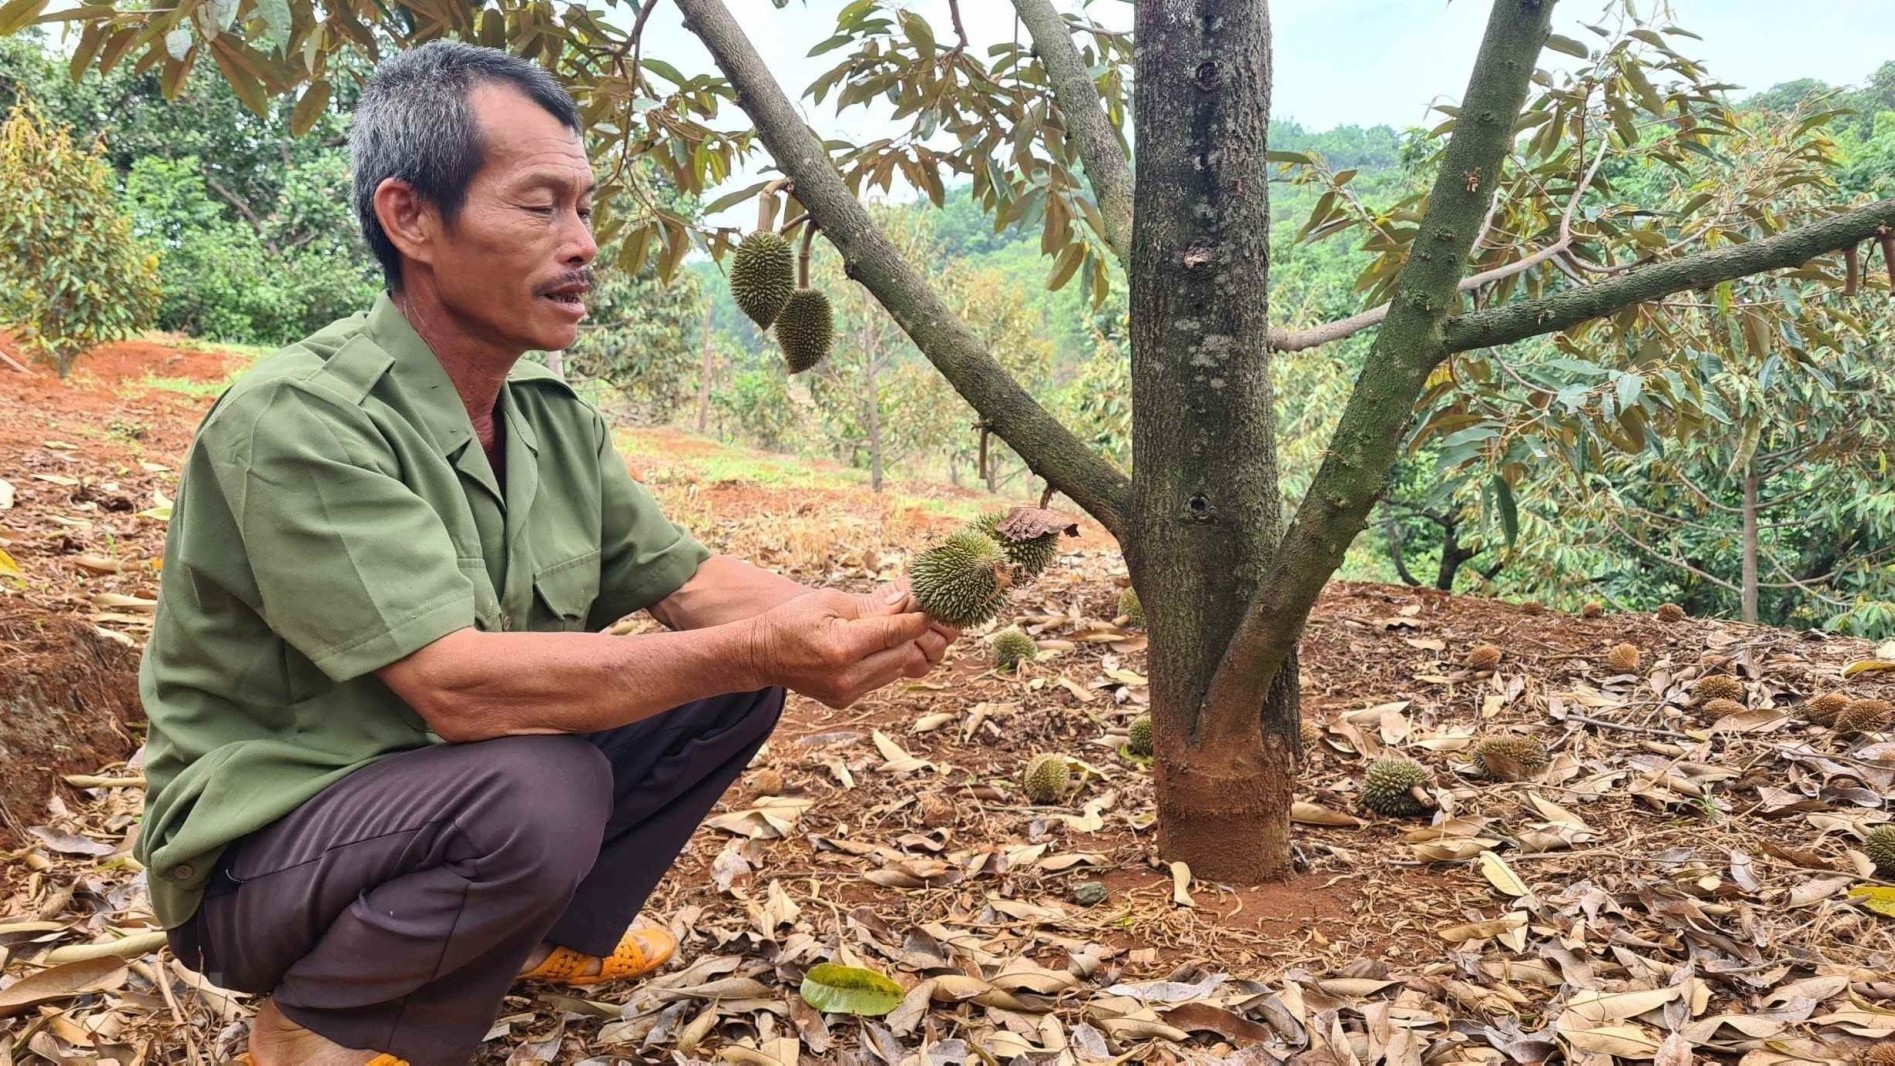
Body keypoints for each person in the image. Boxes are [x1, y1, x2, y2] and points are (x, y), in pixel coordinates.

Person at [134, 40, 957, 1066]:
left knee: (726, 684)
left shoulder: (545, 417)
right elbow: (458, 692)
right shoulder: (298, 421)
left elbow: (693, 585)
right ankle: (321, 1021)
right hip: (266, 858)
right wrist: (758, 647)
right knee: (543, 788)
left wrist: (862, 613)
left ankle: (538, 942)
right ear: (410, 219)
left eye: (584, 207)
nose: (581, 244)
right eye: (539, 206)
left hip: (437, 795)